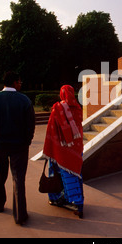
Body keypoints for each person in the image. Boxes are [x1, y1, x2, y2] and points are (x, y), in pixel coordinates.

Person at [0, 71, 35, 226]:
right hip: (19, 147)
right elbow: (30, 126)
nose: (20, 84)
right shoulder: (24, 100)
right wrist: (26, 141)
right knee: (18, 179)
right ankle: (20, 215)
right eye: (20, 82)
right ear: (15, 82)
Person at [42, 85, 84, 218]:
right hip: (75, 149)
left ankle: (57, 198)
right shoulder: (78, 108)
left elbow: (51, 129)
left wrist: (50, 147)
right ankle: (78, 203)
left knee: (57, 173)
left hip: (60, 150)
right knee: (75, 174)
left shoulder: (57, 108)